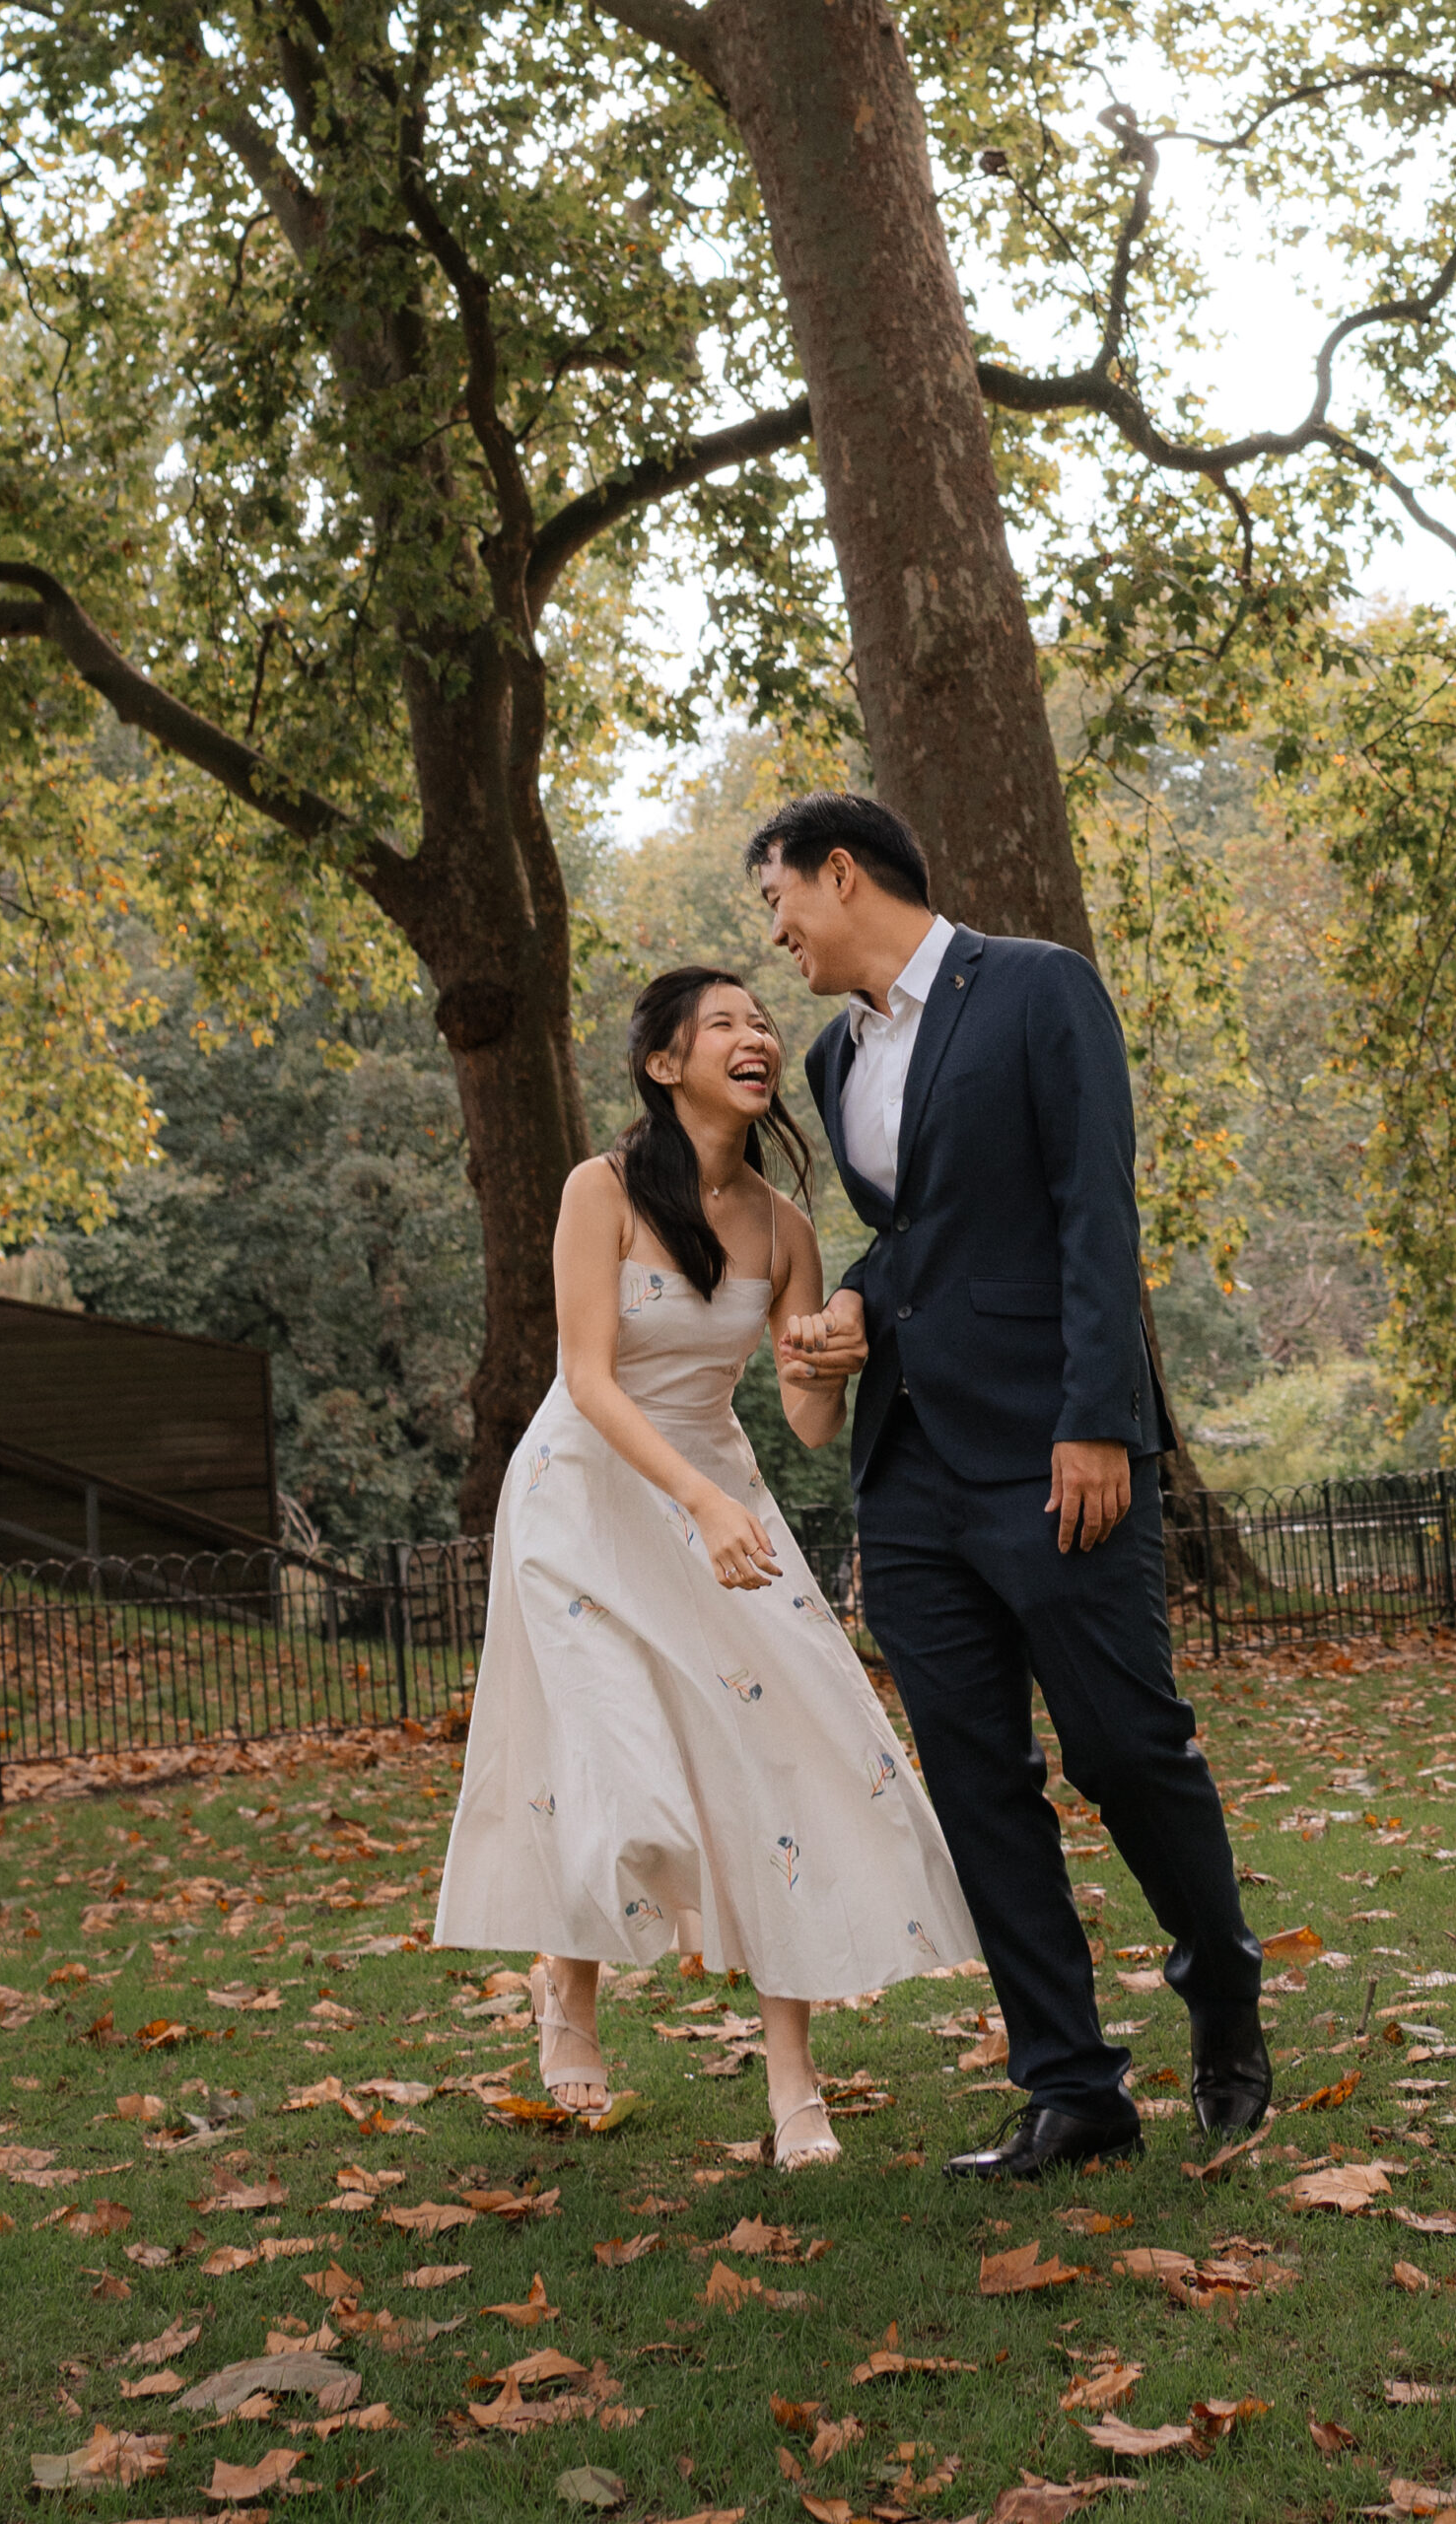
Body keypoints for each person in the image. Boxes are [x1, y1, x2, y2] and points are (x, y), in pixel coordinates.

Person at [747, 792, 1270, 2181]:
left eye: (775, 900)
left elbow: (1089, 1203)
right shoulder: (827, 1053)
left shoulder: (1038, 988)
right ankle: (1069, 2087)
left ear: (838, 871)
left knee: (1121, 1747)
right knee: (976, 1781)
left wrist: (1097, 1418)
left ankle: (1218, 1976)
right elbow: (919, 1236)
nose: (775, 934)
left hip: (1054, 1448)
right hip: (905, 1468)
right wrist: (857, 1303)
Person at [433, 965, 974, 2171]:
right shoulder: (601, 1190)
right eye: (722, 1022)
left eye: (761, 1019)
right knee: (622, 1770)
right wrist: (697, 1502)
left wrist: (828, 1359)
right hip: (587, 1492)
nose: (757, 1034)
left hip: (720, 1491)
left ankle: (792, 2081)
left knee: (776, 1758)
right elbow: (588, 1377)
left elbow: (805, 1418)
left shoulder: (785, 1225)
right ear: (665, 1064)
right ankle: (564, 1985)